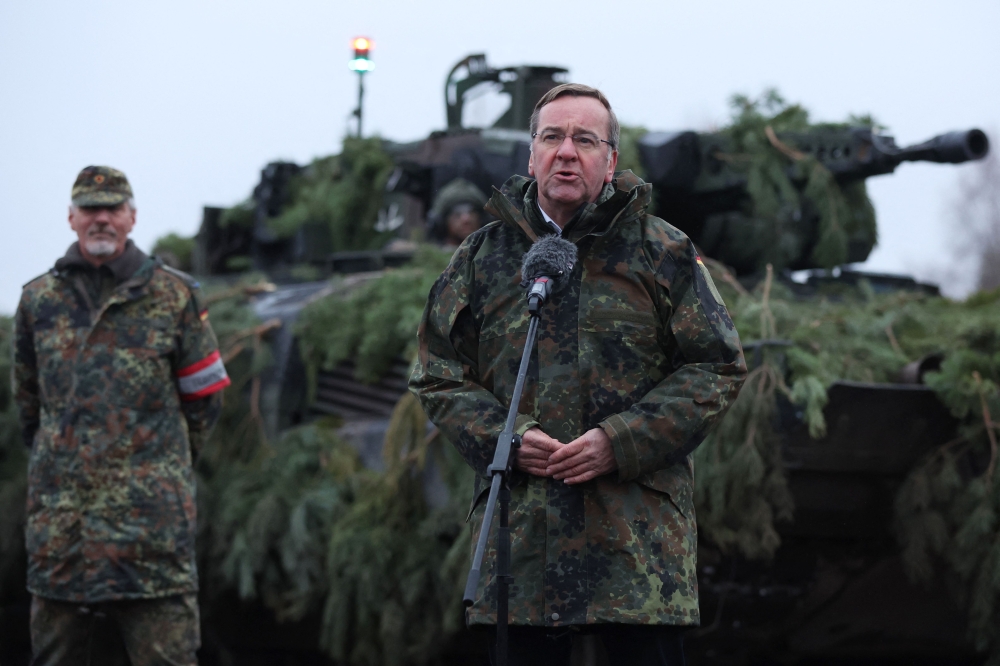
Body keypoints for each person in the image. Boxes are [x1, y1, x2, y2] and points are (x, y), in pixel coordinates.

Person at [409, 84, 747, 665]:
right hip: (523, 545)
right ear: (532, 155)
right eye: (552, 137)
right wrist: (507, 440)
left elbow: (716, 367)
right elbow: (439, 373)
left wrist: (621, 441)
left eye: (585, 140)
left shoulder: (662, 253)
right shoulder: (484, 257)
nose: (567, 152)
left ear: (610, 161)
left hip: (637, 548)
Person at [14, 166, 230, 666]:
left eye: (113, 208)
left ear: (132, 217)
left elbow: (205, 399)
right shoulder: (38, 300)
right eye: (91, 208)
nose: (102, 219)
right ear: (72, 218)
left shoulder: (175, 296)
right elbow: (29, 406)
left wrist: (160, 470)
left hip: (151, 531)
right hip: (62, 531)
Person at [427, 178, 489, 248]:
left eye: (472, 212)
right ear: (443, 222)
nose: (466, 219)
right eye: (457, 214)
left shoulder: (496, 254)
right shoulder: (428, 257)